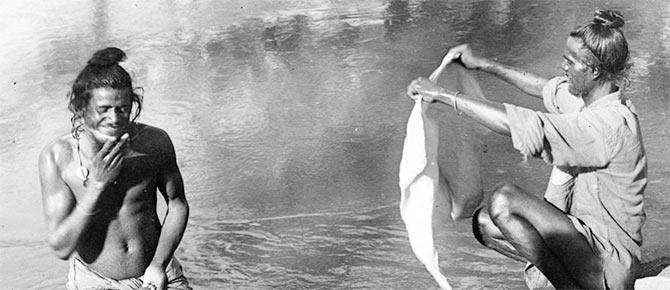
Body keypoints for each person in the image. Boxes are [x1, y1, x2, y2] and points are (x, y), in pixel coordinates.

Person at [407, 9, 645, 289]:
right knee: (484, 223)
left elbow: (520, 124)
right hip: (585, 245)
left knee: (503, 200)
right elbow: (543, 87)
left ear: (592, 70)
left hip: (608, 263)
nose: (563, 66)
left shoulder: (609, 124)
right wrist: (482, 64)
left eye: (570, 61)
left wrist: (444, 95)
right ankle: (559, 281)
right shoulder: (591, 100)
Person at [39, 47, 191, 290]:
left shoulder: (155, 142)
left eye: (123, 108)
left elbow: (177, 204)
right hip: (95, 281)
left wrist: (158, 265)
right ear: (81, 107)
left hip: (157, 273)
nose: (115, 118)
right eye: (104, 109)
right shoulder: (58, 157)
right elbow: (61, 247)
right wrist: (97, 186)